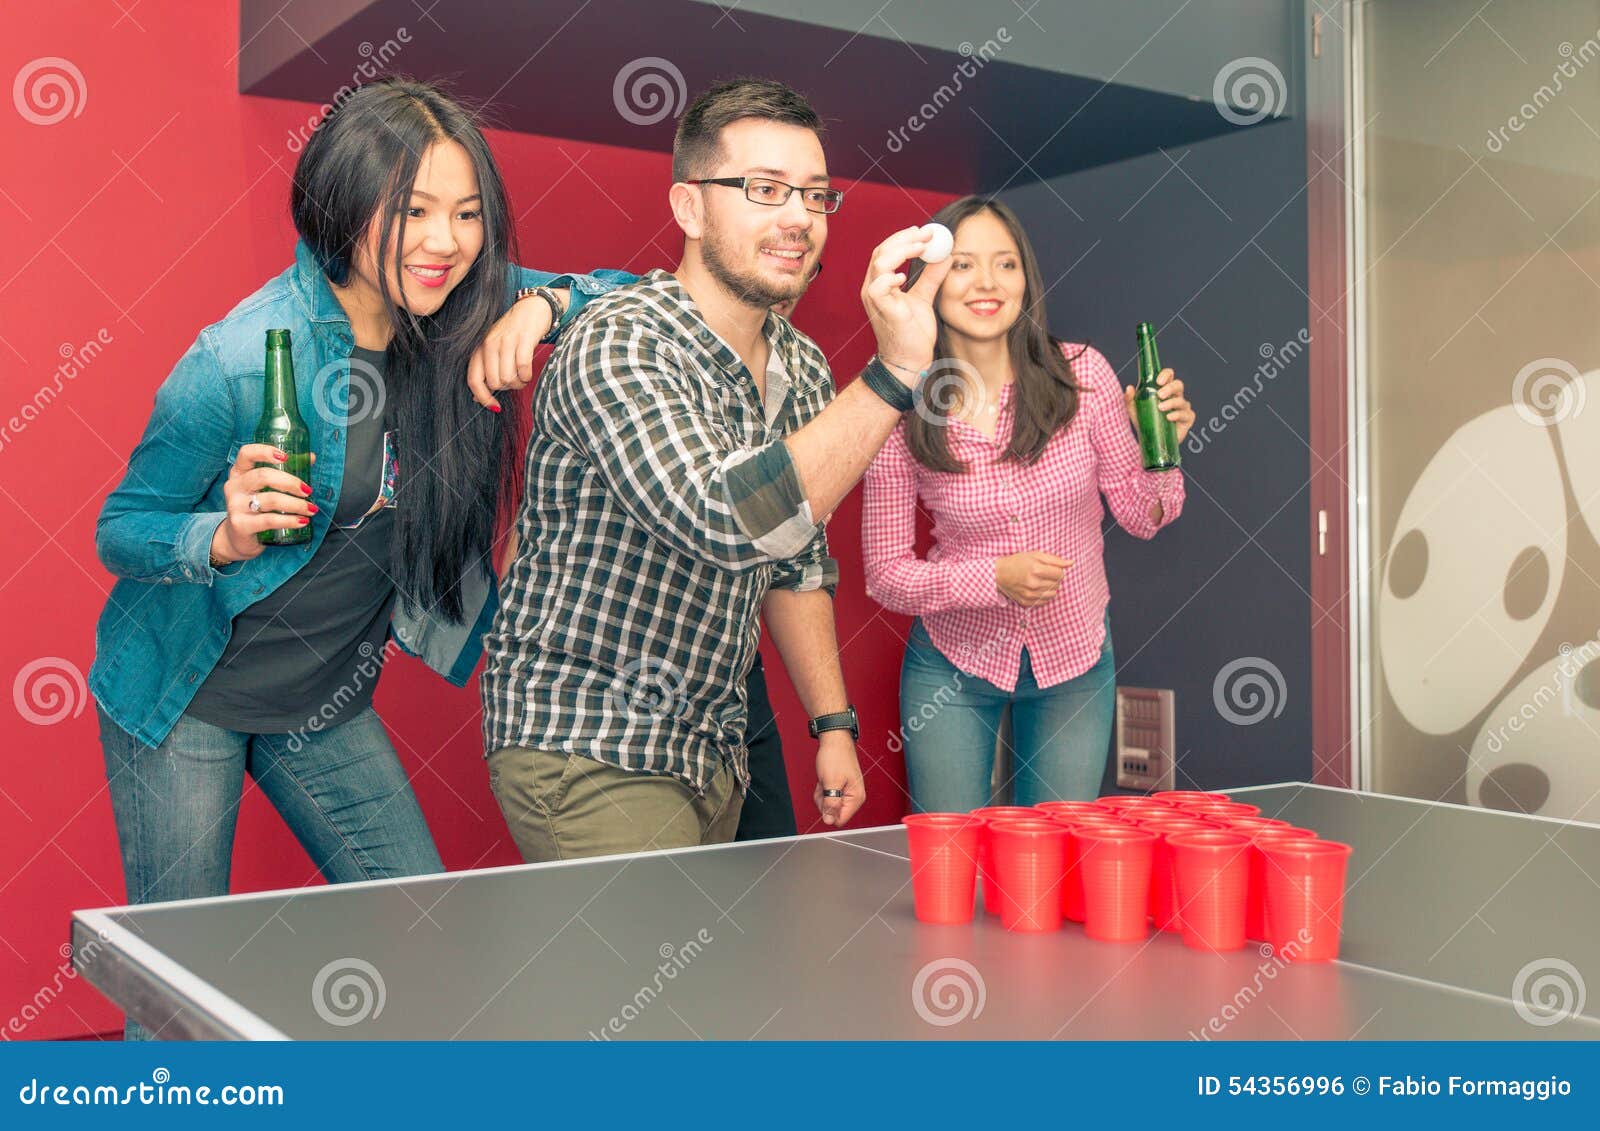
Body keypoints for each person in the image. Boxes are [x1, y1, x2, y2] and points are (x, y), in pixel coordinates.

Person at [89, 78, 626, 1037]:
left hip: (321, 702)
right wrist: (218, 533)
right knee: (174, 988)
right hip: (183, 695)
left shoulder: (467, 303)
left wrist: (549, 311)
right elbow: (120, 527)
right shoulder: (243, 357)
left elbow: (641, 300)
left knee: (422, 925)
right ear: (344, 204)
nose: (445, 241)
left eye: (467, 214)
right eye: (412, 210)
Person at [480, 78, 953, 861]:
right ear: (691, 208)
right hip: (587, 734)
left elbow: (795, 557)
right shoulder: (622, 340)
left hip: (712, 745)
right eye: (764, 189)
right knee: (655, 972)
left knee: (736, 974)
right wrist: (893, 372)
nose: (798, 217)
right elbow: (727, 518)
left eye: (814, 195)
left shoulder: (799, 365)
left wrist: (832, 725)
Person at [861, 196, 1195, 812]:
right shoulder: (899, 406)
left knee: (1054, 866)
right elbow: (885, 576)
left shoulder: (1084, 377)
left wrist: (1162, 449)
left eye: (1005, 264)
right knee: (950, 864)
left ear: (1026, 279)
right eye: (962, 266)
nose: (987, 283)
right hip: (952, 669)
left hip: (1074, 660)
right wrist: (994, 578)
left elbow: (1141, 516)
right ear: (930, 281)